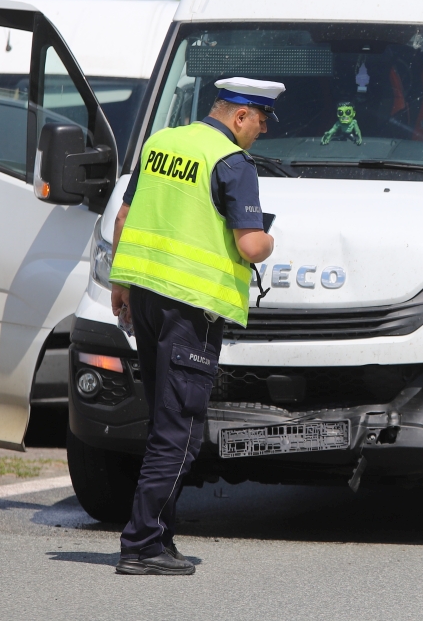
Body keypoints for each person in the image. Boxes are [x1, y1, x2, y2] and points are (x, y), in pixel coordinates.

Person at [107, 76, 281, 576]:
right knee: (179, 429)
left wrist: (119, 281)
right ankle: (140, 545)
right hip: (192, 309)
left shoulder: (162, 142)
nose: (261, 133)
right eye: (261, 122)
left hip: (145, 298)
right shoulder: (232, 162)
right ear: (239, 116)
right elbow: (250, 245)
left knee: (163, 423)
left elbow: (124, 218)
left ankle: (159, 537)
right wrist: (270, 241)